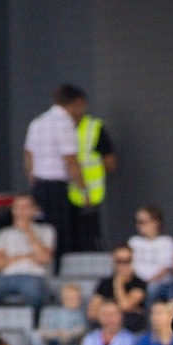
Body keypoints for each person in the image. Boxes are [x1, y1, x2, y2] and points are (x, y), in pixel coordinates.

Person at [22, 84, 83, 243]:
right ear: (77, 102)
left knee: (41, 230)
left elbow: (28, 154)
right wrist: (83, 189)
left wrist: (33, 179)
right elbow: (70, 159)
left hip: (39, 185)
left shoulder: (38, 122)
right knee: (59, 234)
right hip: (56, 188)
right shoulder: (65, 123)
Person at [0, 192, 56, 310]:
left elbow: (45, 258)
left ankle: (33, 321)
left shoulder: (46, 230)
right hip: (6, 278)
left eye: (25, 207)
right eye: (17, 207)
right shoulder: (5, 233)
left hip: (33, 277)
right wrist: (26, 257)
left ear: (34, 210)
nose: (21, 211)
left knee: (33, 292)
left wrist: (28, 232)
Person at [60, 87, 114, 254]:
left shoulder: (94, 127)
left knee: (87, 242)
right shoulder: (59, 127)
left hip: (87, 195)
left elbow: (110, 163)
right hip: (64, 194)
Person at [90, 246, 149, 333]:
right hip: (105, 330)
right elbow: (92, 312)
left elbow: (124, 305)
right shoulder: (104, 283)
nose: (123, 265)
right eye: (119, 261)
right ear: (114, 262)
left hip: (131, 329)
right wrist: (131, 309)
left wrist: (118, 283)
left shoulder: (139, 283)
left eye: (127, 261)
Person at [128, 206, 173, 284]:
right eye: (136, 222)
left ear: (155, 222)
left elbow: (167, 267)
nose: (138, 225)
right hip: (136, 282)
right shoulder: (133, 242)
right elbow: (128, 264)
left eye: (142, 222)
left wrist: (149, 283)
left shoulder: (167, 242)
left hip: (160, 283)